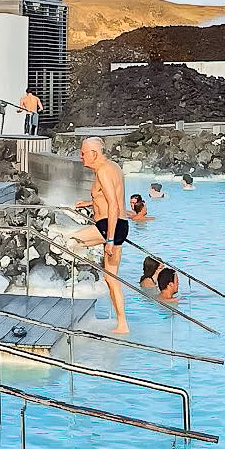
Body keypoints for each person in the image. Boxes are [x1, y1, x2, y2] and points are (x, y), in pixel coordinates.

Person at [72, 137, 131, 335]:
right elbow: (107, 197)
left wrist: (111, 239)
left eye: (83, 153)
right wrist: (88, 204)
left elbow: (113, 204)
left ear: (94, 154)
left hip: (109, 227)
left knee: (69, 241)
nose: (81, 157)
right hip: (118, 225)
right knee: (110, 278)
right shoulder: (112, 166)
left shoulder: (104, 171)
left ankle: (77, 277)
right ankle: (122, 323)